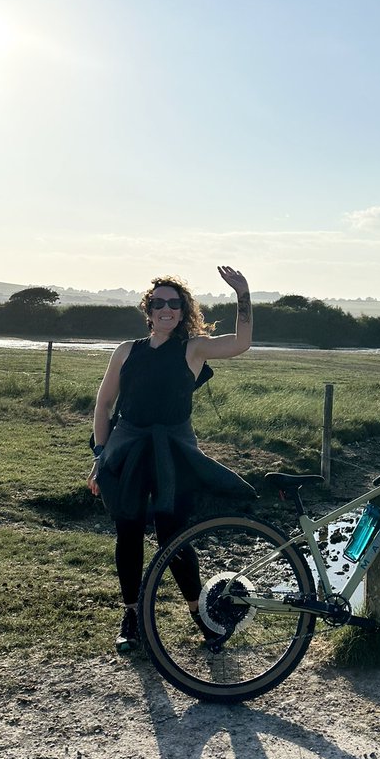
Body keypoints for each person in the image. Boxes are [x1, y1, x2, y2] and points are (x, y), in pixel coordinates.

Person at [87, 265, 256, 654]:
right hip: (127, 448)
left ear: (183, 311)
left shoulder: (193, 348)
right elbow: (104, 404)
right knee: (128, 533)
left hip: (174, 452)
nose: (166, 309)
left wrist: (242, 295)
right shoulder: (126, 351)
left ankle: (202, 615)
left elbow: (241, 342)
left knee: (174, 536)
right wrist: (101, 454)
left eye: (174, 303)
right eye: (159, 302)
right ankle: (132, 617)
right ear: (148, 310)